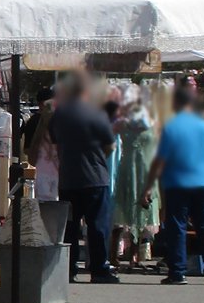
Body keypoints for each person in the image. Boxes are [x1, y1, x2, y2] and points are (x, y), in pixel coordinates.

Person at [143, 87, 204, 285]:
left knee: (177, 227)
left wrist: (148, 186)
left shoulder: (171, 127)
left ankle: (178, 272)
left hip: (177, 183)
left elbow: (160, 160)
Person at [48, 71, 120, 284]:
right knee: (97, 226)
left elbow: (54, 141)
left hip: (69, 178)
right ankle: (98, 269)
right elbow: (110, 145)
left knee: (69, 228)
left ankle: (68, 269)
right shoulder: (96, 114)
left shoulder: (59, 114)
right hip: (95, 178)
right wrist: (96, 157)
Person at [112, 84, 160, 269]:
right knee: (125, 211)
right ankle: (125, 254)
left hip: (141, 169)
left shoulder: (149, 122)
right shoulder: (126, 121)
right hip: (133, 168)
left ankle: (134, 254)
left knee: (138, 212)